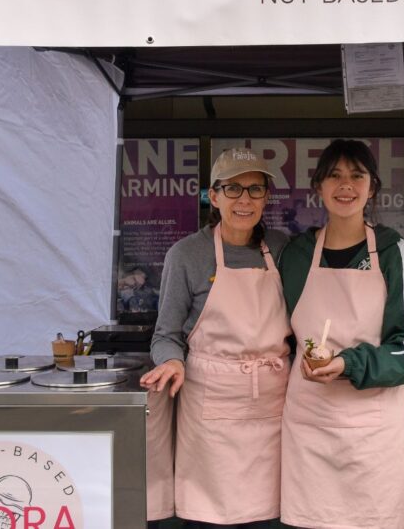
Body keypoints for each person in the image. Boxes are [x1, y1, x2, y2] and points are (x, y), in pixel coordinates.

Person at [278, 139, 404, 529]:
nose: (345, 185)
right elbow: (279, 332)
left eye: (356, 175)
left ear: (372, 188)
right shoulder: (296, 256)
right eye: (334, 175)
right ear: (318, 186)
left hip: (376, 429)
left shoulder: (395, 253)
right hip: (309, 423)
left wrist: (350, 362)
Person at [140, 147, 291, 528]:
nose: (245, 199)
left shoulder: (283, 248)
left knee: (271, 514)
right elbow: (165, 335)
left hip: (274, 401)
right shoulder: (187, 254)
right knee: (211, 516)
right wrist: (172, 360)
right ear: (214, 195)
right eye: (233, 188)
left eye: (255, 189)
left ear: (267, 196)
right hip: (211, 410)